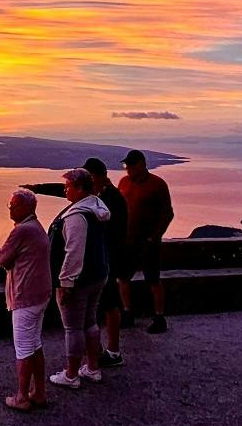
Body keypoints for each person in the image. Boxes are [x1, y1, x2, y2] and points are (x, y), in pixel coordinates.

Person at [46, 168, 110, 390]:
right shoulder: (96, 207)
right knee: (90, 322)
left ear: (80, 188)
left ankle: (71, 374)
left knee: (73, 328)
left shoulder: (77, 216)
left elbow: (73, 251)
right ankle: (92, 368)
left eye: (68, 186)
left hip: (79, 281)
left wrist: (65, 283)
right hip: (98, 274)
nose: (64, 190)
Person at [0, 188, 52, 411]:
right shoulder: (36, 227)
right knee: (35, 344)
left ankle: (22, 398)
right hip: (40, 295)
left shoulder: (21, 231)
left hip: (25, 297)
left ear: (27, 207)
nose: (10, 208)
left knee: (24, 348)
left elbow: (1, 258)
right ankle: (39, 393)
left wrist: (8, 261)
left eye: (14, 205)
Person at [117, 149, 175, 333]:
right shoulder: (124, 182)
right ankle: (127, 313)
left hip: (148, 242)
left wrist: (154, 236)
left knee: (153, 280)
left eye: (132, 165)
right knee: (122, 278)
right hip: (127, 241)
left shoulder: (157, 184)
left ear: (142, 164)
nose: (128, 169)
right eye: (127, 165)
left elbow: (167, 213)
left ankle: (159, 317)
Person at [84, 157, 132, 366]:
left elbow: (114, 232)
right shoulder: (100, 194)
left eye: (90, 177)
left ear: (101, 176)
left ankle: (113, 351)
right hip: (102, 258)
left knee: (110, 304)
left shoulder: (113, 198)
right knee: (101, 304)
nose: (89, 182)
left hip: (109, 258)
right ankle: (102, 349)